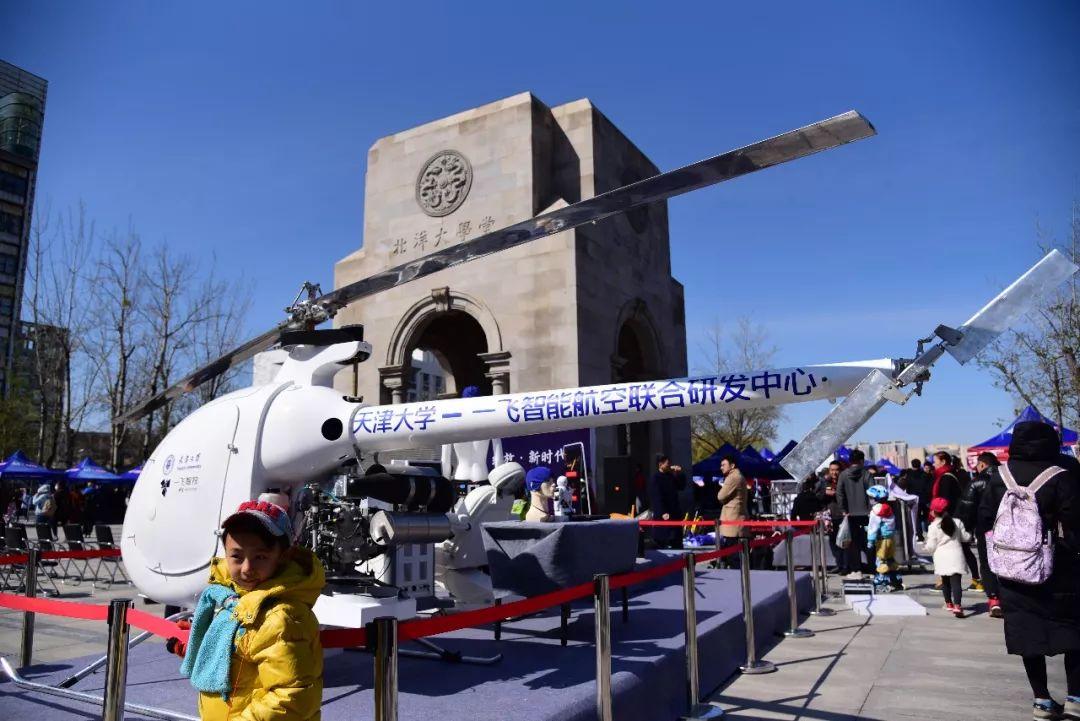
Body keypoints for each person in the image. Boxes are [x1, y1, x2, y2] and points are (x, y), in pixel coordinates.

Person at [171, 499, 325, 721]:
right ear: (225, 553)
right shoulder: (235, 600)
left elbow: (292, 696)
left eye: (260, 557)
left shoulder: (281, 618)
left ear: (283, 556)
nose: (246, 569)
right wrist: (199, 644)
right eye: (237, 556)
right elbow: (238, 654)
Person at [978, 421, 1080, 720]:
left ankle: (1042, 701)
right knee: (1073, 631)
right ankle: (1075, 697)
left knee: (1027, 635)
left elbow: (984, 523)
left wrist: (991, 574)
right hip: (1059, 569)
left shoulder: (998, 476)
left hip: (1012, 571)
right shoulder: (1063, 475)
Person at [958, 451, 1002, 617]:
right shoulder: (1010, 479)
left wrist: (964, 531)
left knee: (988, 563)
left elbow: (966, 510)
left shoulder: (977, 482)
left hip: (987, 530)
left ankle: (994, 599)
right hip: (1011, 530)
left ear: (983, 465)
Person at [931, 451, 981, 589]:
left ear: (943, 462)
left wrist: (941, 516)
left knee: (948, 548)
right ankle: (975, 579)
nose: (934, 464)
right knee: (963, 548)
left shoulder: (946, 477)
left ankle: (947, 581)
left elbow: (945, 500)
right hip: (955, 516)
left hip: (951, 518)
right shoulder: (951, 474)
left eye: (936, 461)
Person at [920, 497, 971, 617]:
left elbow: (931, 546)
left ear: (933, 512)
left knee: (945, 582)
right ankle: (958, 606)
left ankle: (948, 603)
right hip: (956, 556)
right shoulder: (957, 522)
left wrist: (926, 548)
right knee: (956, 583)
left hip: (942, 557)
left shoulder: (933, 526)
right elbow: (965, 537)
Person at [837, 449, 873, 577]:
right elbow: (872, 493)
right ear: (862, 461)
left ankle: (856, 568)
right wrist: (870, 509)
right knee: (869, 542)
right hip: (866, 515)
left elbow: (840, 494)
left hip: (849, 515)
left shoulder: (843, 475)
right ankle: (871, 566)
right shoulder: (867, 474)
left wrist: (844, 510)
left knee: (852, 544)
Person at [865, 484, 903, 591]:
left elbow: (874, 527)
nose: (870, 499)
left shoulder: (875, 511)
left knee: (880, 560)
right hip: (890, 538)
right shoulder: (888, 508)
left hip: (881, 540)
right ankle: (895, 579)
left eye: (871, 497)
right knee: (890, 559)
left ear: (875, 498)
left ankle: (882, 580)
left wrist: (870, 541)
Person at [716, 454, 748, 566]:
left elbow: (720, 496)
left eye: (723, 465)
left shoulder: (733, 477)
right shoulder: (738, 476)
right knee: (736, 557)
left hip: (733, 525)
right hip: (736, 523)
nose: (721, 467)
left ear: (732, 465)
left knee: (734, 559)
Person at [648, 454, 684, 549]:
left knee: (676, 541)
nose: (669, 465)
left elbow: (681, 486)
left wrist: (678, 474)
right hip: (663, 515)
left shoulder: (671, 476)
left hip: (674, 512)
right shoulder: (655, 478)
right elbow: (656, 497)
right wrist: (662, 512)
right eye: (667, 463)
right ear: (660, 464)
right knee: (662, 541)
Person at [816, 461, 844, 569]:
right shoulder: (824, 482)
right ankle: (839, 564)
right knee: (833, 541)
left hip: (842, 515)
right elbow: (817, 496)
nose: (834, 472)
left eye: (836, 470)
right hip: (829, 517)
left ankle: (845, 565)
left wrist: (836, 493)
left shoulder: (843, 481)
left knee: (843, 541)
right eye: (832, 470)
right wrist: (825, 493)